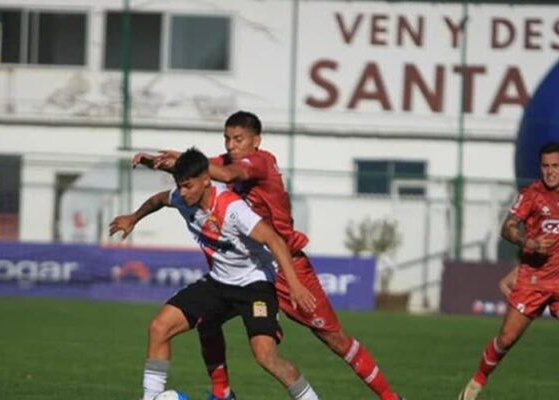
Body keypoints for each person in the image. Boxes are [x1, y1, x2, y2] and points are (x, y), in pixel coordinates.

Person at [134, 111, 404, 400]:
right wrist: (155, 163)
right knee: (207, 321)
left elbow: (219, 175)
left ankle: (390, 397)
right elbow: (193, 177)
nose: (231, 145)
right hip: (249, 266)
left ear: (256, 141)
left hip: (287, 265)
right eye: (227, 139)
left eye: (238, 139)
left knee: (333, 338)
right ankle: (222, 395)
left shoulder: (259, 162)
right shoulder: (223, 163)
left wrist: (185, 160)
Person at [110, 148, 321, 400]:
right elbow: (158, 200)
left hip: (254, 285)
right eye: (180, 186)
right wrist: (133, 218)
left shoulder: (232, 209)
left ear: (206, 180)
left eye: (188, 186)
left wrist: (295, 285)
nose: (182, 192)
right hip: (219, 282)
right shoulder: (181, 198)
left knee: (266, 356)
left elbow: (274, 240)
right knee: (159, 327)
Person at [458, 142, 559, 400]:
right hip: (534, 279)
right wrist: (529, 243)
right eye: (545, 166)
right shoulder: (532, 195)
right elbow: (508, 227)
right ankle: (477, 381)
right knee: (506, 338)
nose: (550, 171)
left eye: (555, 166)